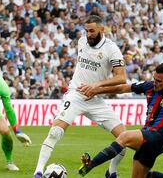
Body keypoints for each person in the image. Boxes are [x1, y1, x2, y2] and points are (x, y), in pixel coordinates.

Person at [33, 15, 127, 178]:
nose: (88, 34)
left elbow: (121, 78)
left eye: (92, 31)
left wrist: (96, 87)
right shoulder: (82, 41)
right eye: (86, 31)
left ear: (101, 30)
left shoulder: (111, 49)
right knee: (55, 132)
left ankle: (111, 172)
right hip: (76, 95)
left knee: (125, 138)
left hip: (96, 98)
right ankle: (38, 172)